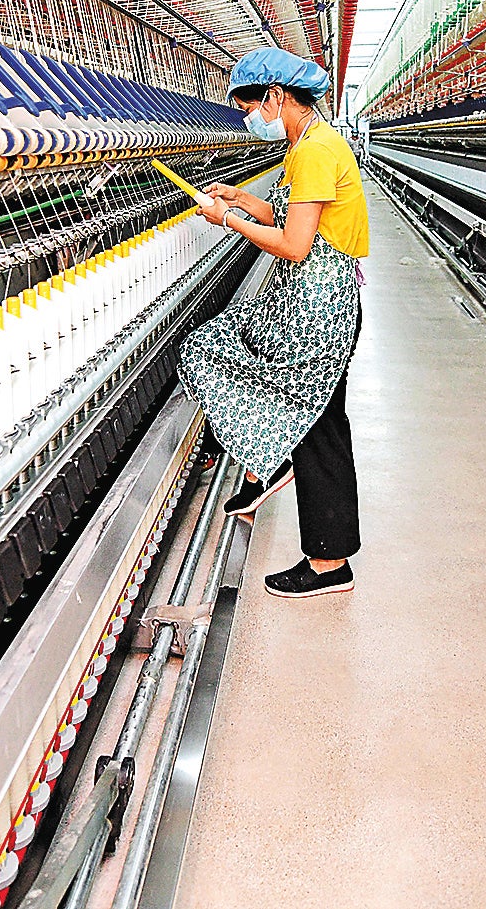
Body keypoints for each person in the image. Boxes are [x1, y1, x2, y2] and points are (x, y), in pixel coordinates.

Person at [177, 47, 370, 599]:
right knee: (305, 408)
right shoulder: (308, 143)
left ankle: (328, 562)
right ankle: (279, 459)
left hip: (320, 304)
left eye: (251, 105)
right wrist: (241, 197)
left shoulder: (313, 152)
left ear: (276, 95)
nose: (249, 116)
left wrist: (229, 221)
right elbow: (289, 214)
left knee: (317, 422)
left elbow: (293, 243)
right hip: (311, 298)